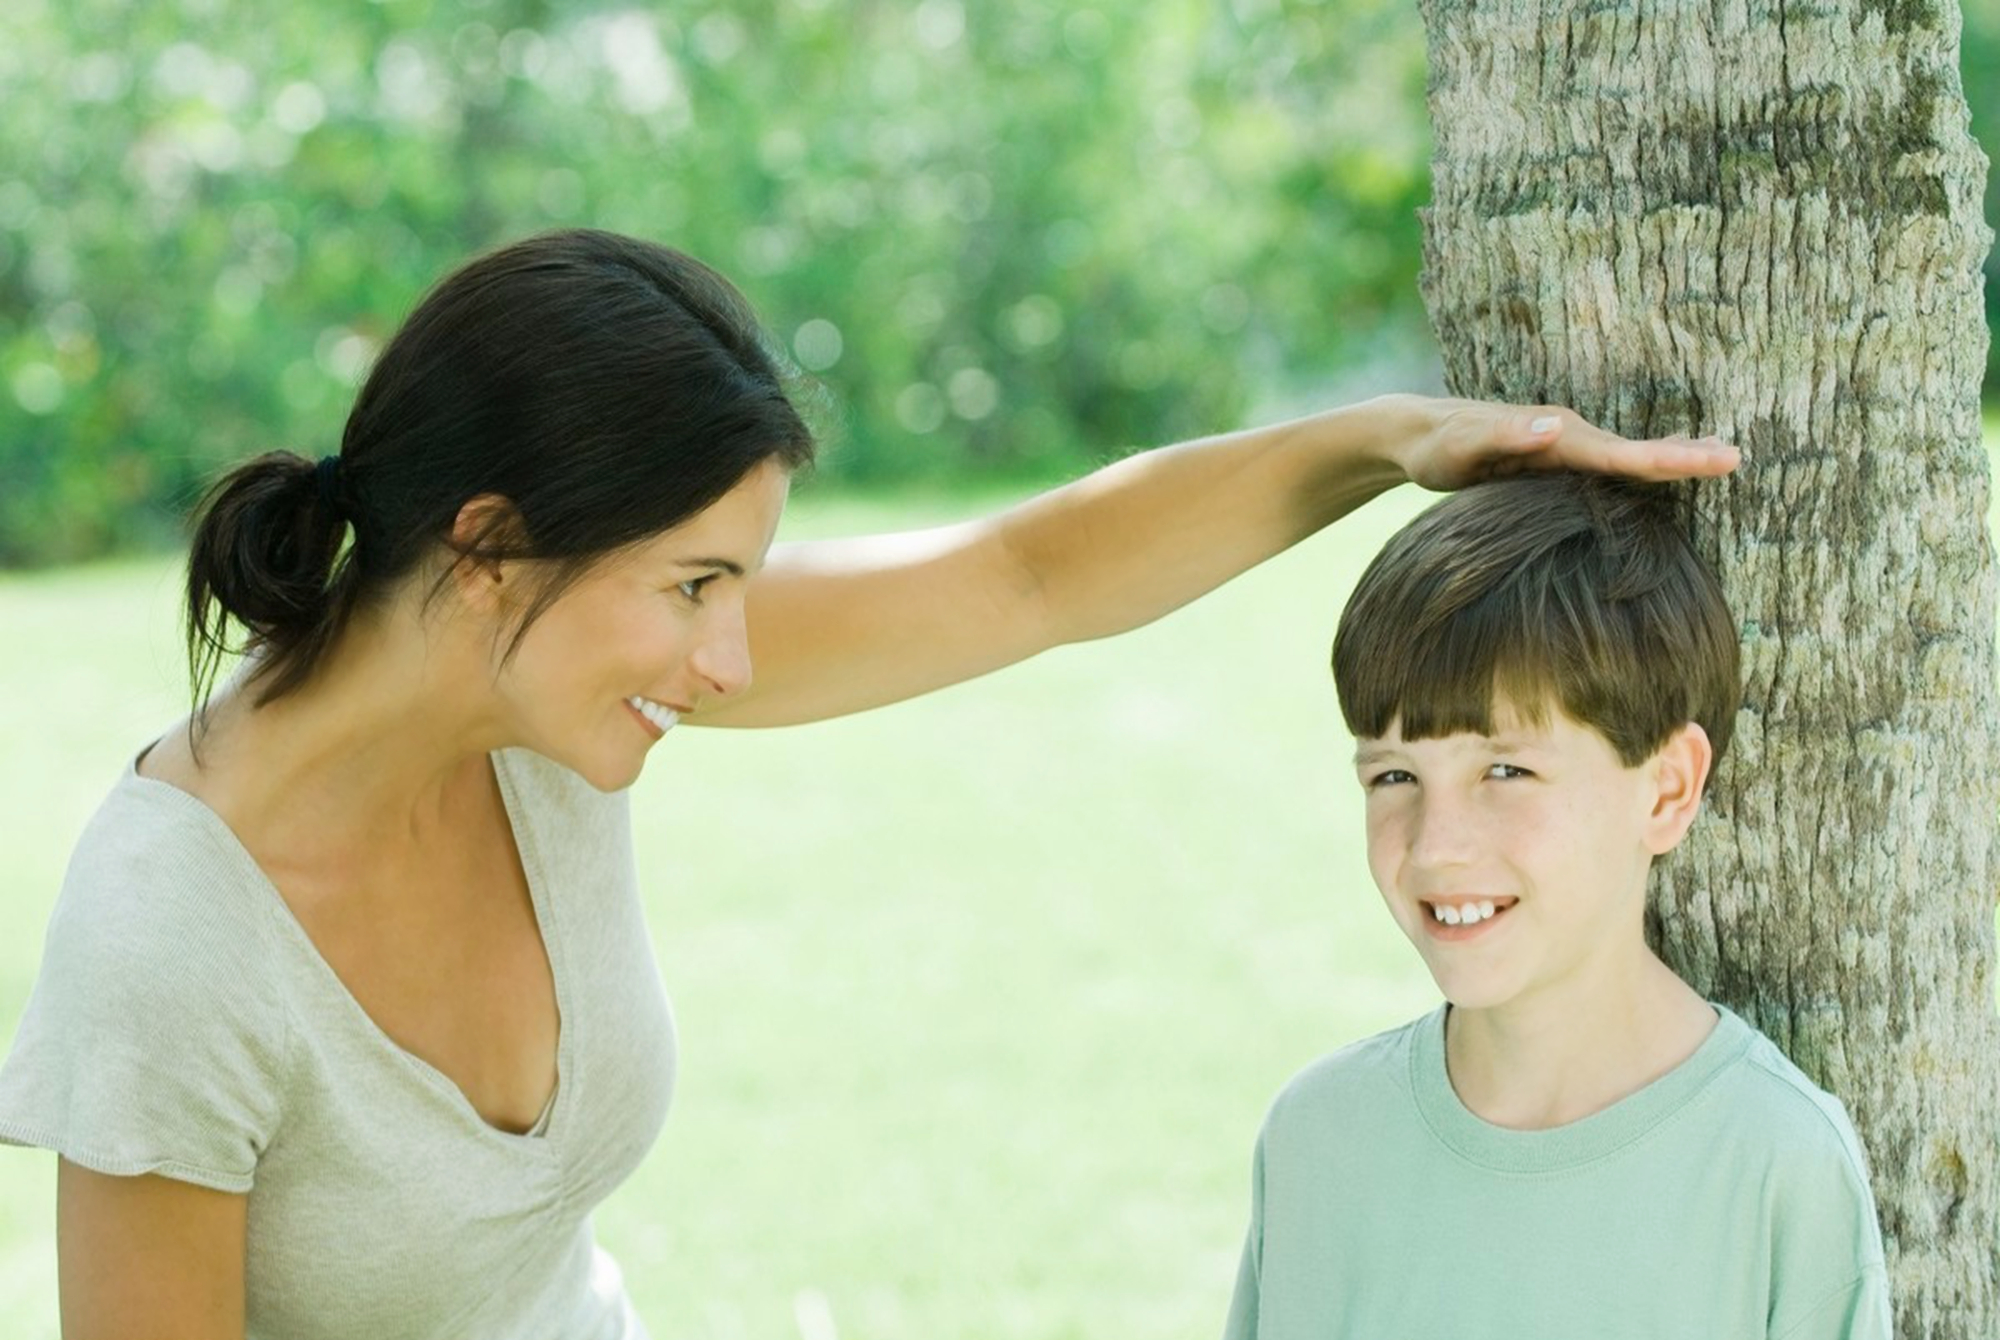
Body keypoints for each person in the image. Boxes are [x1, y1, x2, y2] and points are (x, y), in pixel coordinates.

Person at [0, 229, 1739, 1340]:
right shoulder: (176, 946)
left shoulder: (538, 711)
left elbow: (1027, 575)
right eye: (695, 587)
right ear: (490, 549)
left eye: (742, 588)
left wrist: (1386, 444)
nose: (731, 663)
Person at [1222, 472, 1889, 1339]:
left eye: (1506, 770)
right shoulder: (1319, 1140)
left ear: (1666, 789)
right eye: (1394, 776)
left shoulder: (1774, 1165)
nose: (1434, 846)